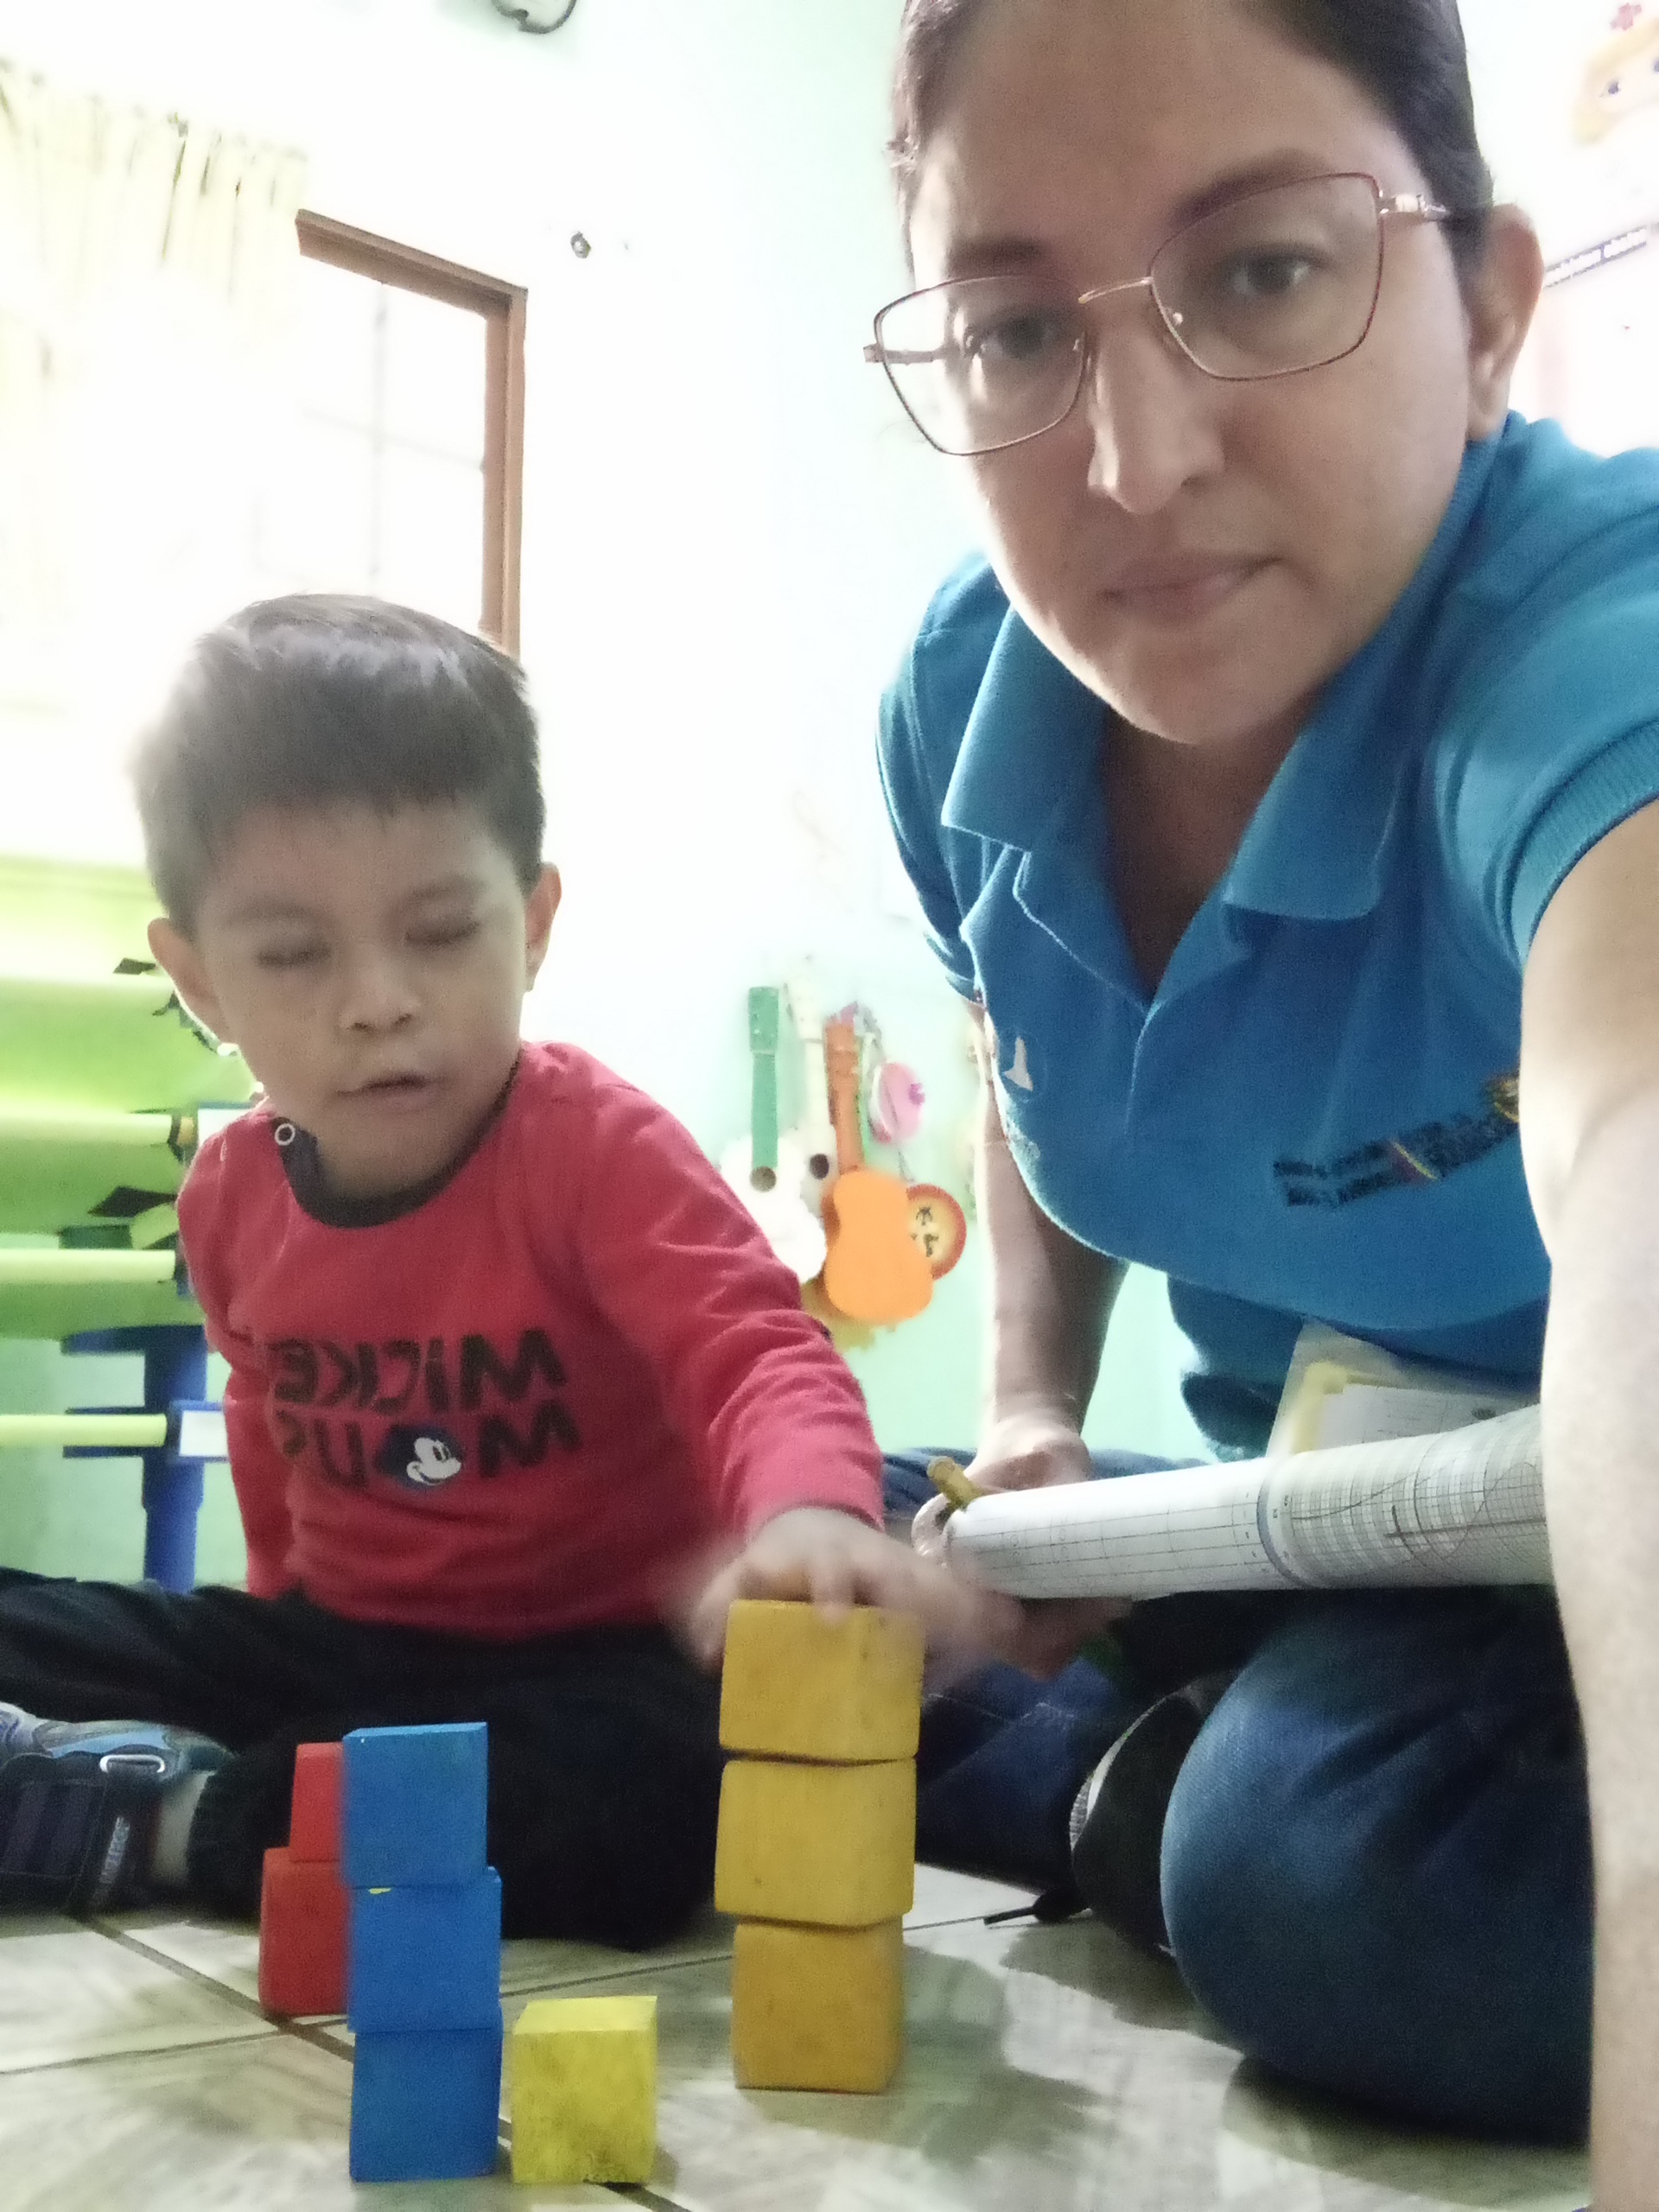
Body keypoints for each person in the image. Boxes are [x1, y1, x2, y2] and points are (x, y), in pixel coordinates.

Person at [866, 0, 1659, 2190]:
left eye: (1267, 269)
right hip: (1323, 1516)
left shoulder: (1588, 653)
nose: (1134, 461)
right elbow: (1035, 1051)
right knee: (832, 1559)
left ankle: (1175, 1801)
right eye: (1017, 330)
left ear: (1488, 309)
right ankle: (1168, 1770)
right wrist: (1031, 1405)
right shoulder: (966, 703)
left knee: (1317, 1870)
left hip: (1573, 1543)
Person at [0, 594, 1010, 1948]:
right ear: (199, 983)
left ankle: (165, 1819)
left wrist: (808, 1517)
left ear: (532, 924)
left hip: (597, 1664)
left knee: (653, 1802)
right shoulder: (231, 1192)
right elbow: (267, 1424)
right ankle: (278, 1772)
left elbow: (757, 1353)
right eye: (293, 954)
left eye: (438, 932)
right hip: (348, 1649)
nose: (377, 1000)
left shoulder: (595, 1149)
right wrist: (269, 1624)